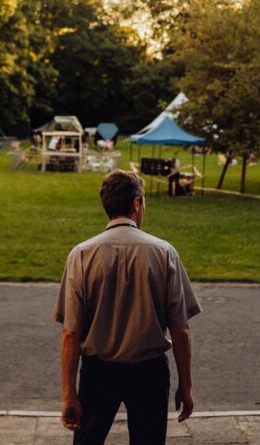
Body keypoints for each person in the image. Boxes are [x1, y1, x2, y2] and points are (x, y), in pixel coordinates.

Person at [54, 170, 201, 445]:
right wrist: (186, 386)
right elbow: (180, 329)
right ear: (136, 204)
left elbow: (70, 333)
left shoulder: (82, 254)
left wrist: (68, 394)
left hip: (99, 371)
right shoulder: (163, 252)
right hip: (149, 372)